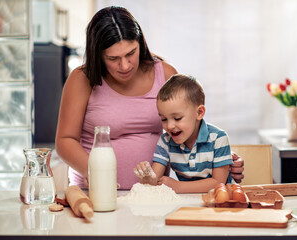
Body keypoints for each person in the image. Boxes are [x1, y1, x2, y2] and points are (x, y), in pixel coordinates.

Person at [55, 6, 244, 190]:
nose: (125, 65)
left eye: (131, 53)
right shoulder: (82, 79)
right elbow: (65, 140)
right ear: (98, 55)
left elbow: (190, 126)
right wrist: (92, 170)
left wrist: (219, 159)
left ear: (140, 43)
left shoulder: (165, 72)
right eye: (113, 58)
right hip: (96, 193)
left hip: (152, 197)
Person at [134, 74, 233, 193]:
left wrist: (178, 186)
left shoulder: (218, 138)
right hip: (186, 202)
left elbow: (218, 182)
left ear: (199, 113)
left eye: (177, 118)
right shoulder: (166, 141)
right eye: (164, 119)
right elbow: (155, 179)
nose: (169, 126)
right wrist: (148, 178)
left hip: (218, 203)